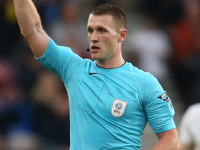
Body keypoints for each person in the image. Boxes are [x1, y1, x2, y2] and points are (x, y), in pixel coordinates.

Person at [13, 1, 180, 149]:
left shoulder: (145, 83)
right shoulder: (74, 68)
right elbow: (33, 30)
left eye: (101, 31)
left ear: (122, 35)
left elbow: (171, 138)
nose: (93, 37)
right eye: (90, 30)